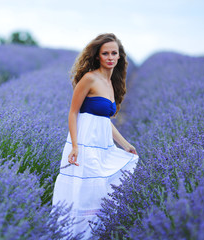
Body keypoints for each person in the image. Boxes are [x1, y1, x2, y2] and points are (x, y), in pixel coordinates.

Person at [52, 33, 139, 239]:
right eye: (105, 53)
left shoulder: (111, 83)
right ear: (98, 56)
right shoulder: (89, 78)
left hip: (102, 145)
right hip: (84, 143)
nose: (110, 57)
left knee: (99, 194)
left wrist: (125, 144)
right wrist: (74, 146)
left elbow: (103, 121)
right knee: (83, 192)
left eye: (113, 53)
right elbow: (73, 112)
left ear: (119, 57)